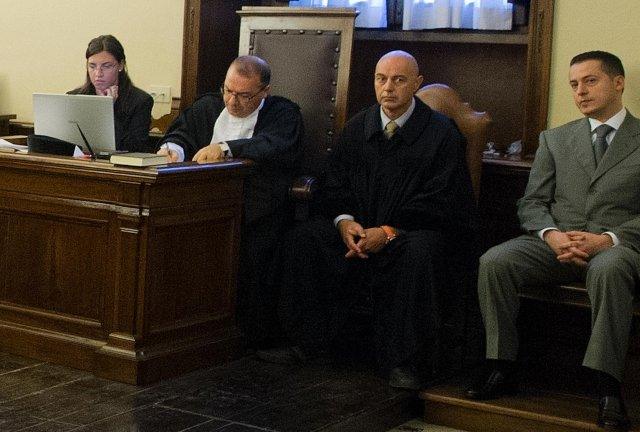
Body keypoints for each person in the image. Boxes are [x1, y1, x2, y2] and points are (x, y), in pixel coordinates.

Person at [465, 51, 640, 431]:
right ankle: (501, 365)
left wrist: (608, 239)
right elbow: (532, 202)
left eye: (590, 81)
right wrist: (551, 236)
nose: (580, 92)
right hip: (558, 243)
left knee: (609, 267)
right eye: (573, 84)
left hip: (621, 249)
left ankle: (607, 387)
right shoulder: (555, 139)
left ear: (618, 83)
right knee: (494, 261)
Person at [256, 50, 476, 390]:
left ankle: (405, 362)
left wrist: (387, 232)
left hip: (409, 233)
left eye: (399, 80)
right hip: (358, 232)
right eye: (381, 79)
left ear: (416, 84)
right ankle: (304, 342)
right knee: (305, 239)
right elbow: (334, 185)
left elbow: (445, 200)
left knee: (420, 253)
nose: (388, 88)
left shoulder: (441, 134)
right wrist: (345, 223)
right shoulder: (359, 126)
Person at [157, 55, 304, 346]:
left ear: (264, 92)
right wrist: (171, 148)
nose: (232, 101)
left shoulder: (283, 113)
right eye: (228, 90)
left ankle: (245, 335)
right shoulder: (209, 105)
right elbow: (180, 133)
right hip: (200, 205)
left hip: (255, 208)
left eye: (244, 95)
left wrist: (226, 148)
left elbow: (272, 146)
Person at [69, 35, 153, 152]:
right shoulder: (74, 97)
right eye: (92, 66)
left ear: (120, 65)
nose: (98, 73)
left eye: (106, 66)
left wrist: (107, 110)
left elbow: (134, 148)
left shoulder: (140, 101)